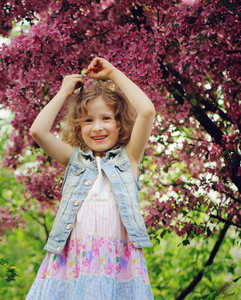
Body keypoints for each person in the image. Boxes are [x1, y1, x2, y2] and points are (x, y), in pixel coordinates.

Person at [25, 57, 155, 299]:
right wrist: (64, 92)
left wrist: (114, 74)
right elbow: (38, 131)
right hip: (74, 260)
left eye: (106, 118)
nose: (97, 127)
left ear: (119, 124)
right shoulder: (75, 160)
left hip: (118, 262)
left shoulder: (129, 159)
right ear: (78, 127)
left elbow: (147, 111)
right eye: (88, 120)